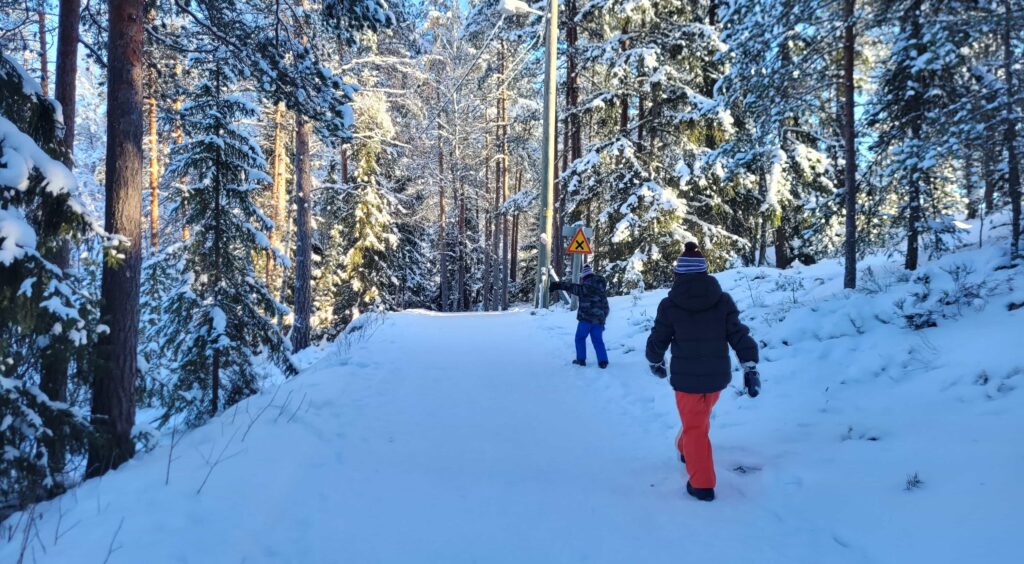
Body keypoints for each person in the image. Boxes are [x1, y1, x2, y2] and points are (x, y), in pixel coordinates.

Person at [645, 242, 760, 502]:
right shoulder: (722, 301)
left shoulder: (670, 305)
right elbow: (738, 335)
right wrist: (749, 364)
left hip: (686, 381)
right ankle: (684, 447)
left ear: (678, 274)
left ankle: (702, 484)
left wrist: (655, 361)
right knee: (698, 419)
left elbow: (658, 339)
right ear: (704, 272)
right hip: (716, 378)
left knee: (696, 427)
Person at [550, 264, 610, 368]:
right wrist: (603, 320)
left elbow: (570, 286)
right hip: (598, 320)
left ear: (584, 277)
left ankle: (581, 360)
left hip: (585, 320)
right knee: (598, 341)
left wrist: (557, 285)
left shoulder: (583, 288)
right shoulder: (601, 290)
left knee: (580, 338)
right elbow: (606, 307)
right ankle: (603, 361)